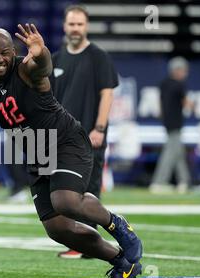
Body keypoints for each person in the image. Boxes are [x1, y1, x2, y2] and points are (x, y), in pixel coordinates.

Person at [0, 24, 143, 278]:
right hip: (38, 151)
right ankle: (123, 263)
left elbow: (42, 68)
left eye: (5, 52)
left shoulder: (26, 69)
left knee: (65, 201)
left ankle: (119, 226)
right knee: (58, 228)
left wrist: (41, 54)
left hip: (65, 140)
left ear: (13, 52)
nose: (0, 59)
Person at [51, 5, 119, 259]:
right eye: (72, 24)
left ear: (86, 26)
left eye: (80, 24)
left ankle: (88, 245)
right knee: (67, 191)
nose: (76, 28)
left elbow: (107, 93)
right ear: (65, 26)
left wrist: (99, 127)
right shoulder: (56, 59)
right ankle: (79, 243)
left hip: (90, 135)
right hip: (63, 139)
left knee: (88, 190)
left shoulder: (98, 57)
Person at [149, 57, 193, 194]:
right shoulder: (179, 85)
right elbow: (187, 103)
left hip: (167, 122)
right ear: (177, 70)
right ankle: (158, 183)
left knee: (178, 152)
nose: (185, 73)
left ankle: (184, 182)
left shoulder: (164, 83)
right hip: (176, 123)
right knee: (170, 154)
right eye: (184, 70)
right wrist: (193, 106)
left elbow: (161, 105)